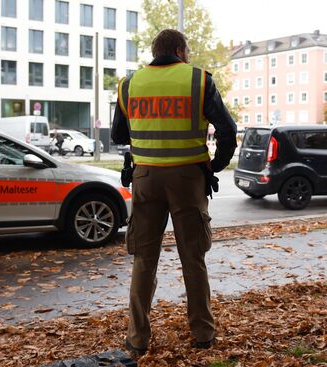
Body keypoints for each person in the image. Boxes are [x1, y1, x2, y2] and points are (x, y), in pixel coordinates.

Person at [111, 29, 237, 355]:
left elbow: (117, 134)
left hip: (146, 177)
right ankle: (203, 333)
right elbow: (227, 129)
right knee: (193, 258)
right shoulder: (198, 80)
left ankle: (137, 339)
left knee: (144, 259)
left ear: (156, 51)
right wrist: (215, 166)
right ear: (181, 49)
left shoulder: (129, 84)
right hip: (188, 179)